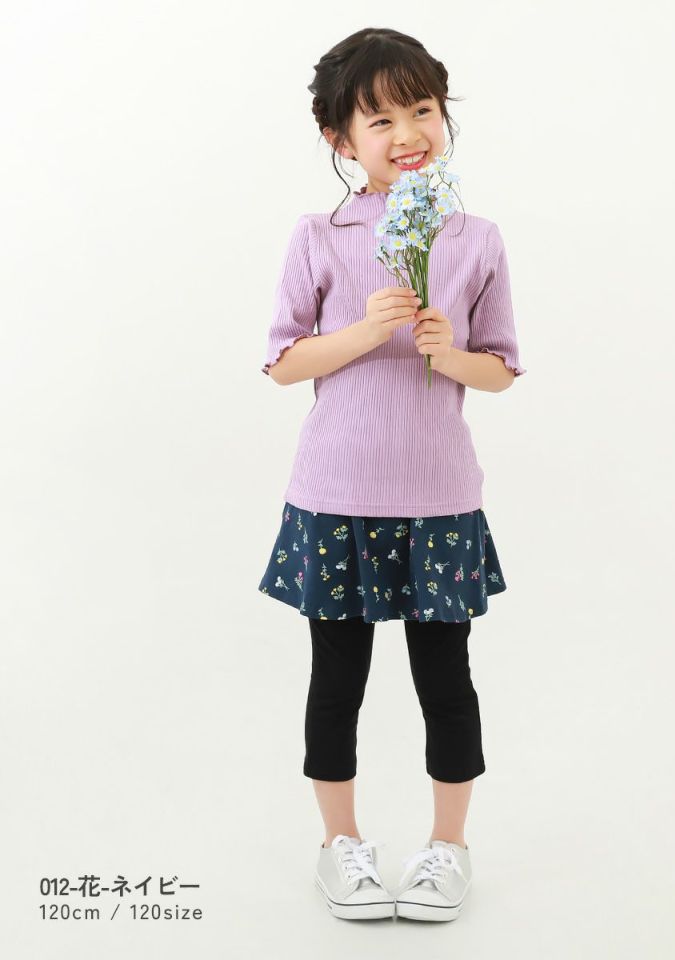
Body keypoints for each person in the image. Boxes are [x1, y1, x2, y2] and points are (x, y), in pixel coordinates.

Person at [257, 27, 527, 923]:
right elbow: (284, 362)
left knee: (446, 683)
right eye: (380, 119)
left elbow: (502, 368)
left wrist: (450, 354)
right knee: (337, 684)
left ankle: (449, 848)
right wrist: (367, 332)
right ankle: (340, 846)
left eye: (422, 109)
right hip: (334, 499)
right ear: (340, 138)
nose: (408, 133)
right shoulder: (320, 235)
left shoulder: (476, 238)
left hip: (440, 502)